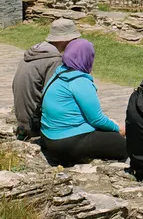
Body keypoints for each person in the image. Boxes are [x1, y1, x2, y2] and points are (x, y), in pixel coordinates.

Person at [39, 39, 127, 167]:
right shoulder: (80, 81)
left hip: (49, 137)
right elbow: (97, 119)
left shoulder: (58, 74)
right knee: (122, 143)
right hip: (66, 142)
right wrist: (118, 128)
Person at [11, 18, 78, 140]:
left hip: (23, 120)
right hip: (35, 125)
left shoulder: (35, 53)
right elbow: (54, 96)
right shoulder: (54, 60)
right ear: (65, 39)